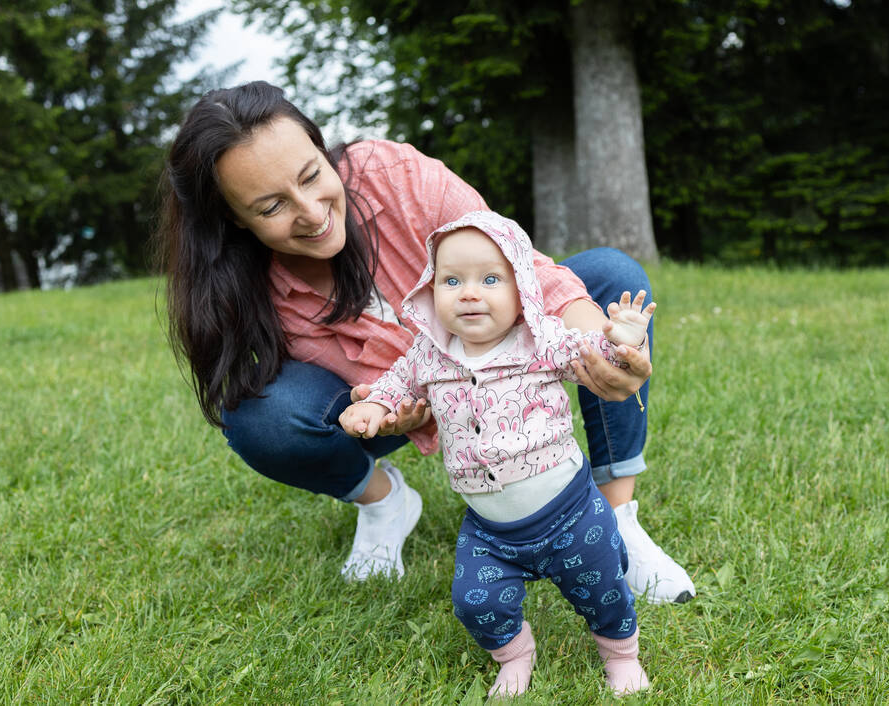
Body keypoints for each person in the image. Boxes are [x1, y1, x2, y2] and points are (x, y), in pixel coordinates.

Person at [155, 80, 694, 603]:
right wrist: (393, 409)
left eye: (312, 175)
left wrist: (602, 346)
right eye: (271, 207)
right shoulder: (248, 290)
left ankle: (616, 518)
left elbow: (520, 267)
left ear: (322, 149)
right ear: (233, 218)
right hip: (386, 400)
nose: (313, 212)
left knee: (610, 277)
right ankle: (384, 502)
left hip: (506, 346)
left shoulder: (391, 173)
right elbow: (377, 384)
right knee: (261, 417)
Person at [340, 210, 654, 696]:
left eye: (489, 279)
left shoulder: (540, 340)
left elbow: (591, 352)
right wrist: (375, 405)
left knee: (603, 588)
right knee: (475, 601)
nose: (469, 293)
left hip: (571, 514)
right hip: (489, 530)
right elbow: (397, 381)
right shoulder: (430, 354)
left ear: (521, 287)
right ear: (430, 289)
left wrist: (622, 341)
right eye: (451, 281)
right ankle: (514, 654)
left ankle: (621, 656)